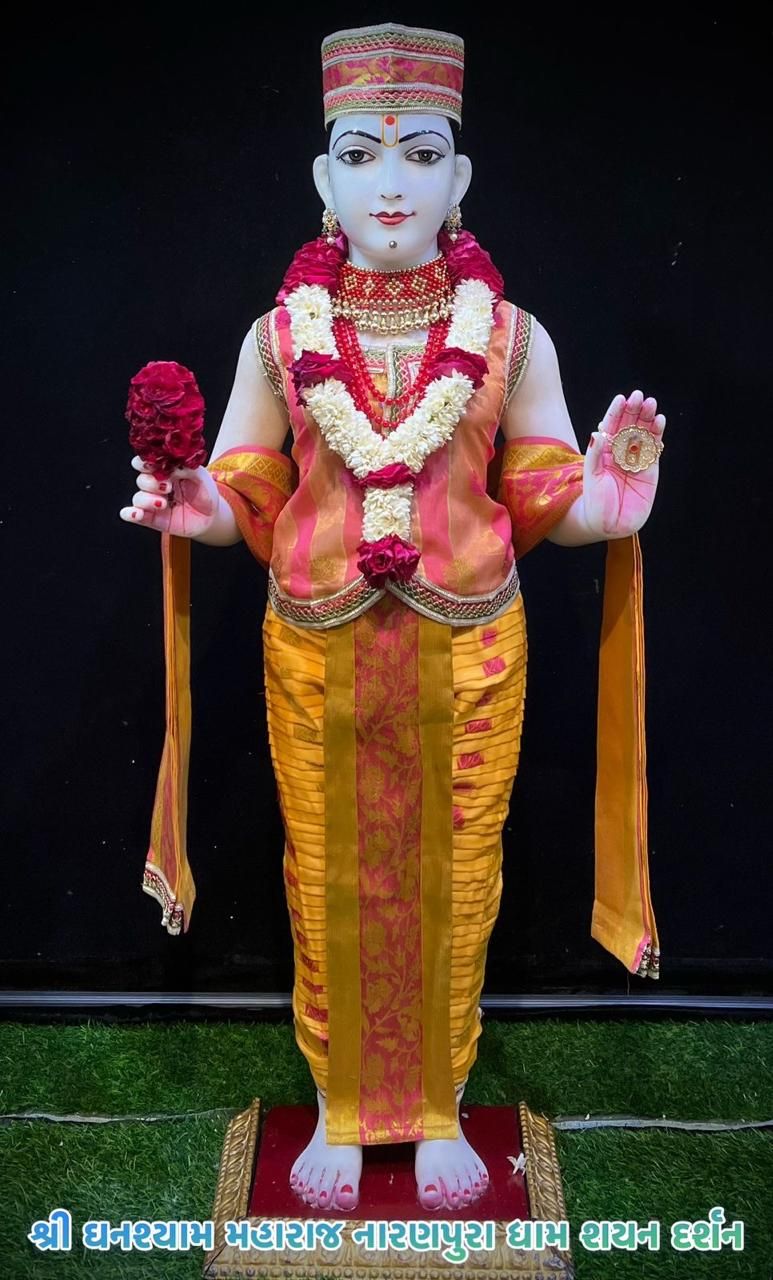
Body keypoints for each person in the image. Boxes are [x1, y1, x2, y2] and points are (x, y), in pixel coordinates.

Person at [119, 23, 665, 1214]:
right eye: (360, 157)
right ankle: (336, 1107)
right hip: (314, 650)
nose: (391, 183)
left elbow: (539, 491)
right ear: (322, 182)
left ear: (459, 180)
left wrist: (609, 502)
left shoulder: (511, 337)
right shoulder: (279, 336)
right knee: (324, 878)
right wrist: (195, 500)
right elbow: (247, 489)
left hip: (468, 649)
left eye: (420, 154)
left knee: (460, 875)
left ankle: (430, 1110)